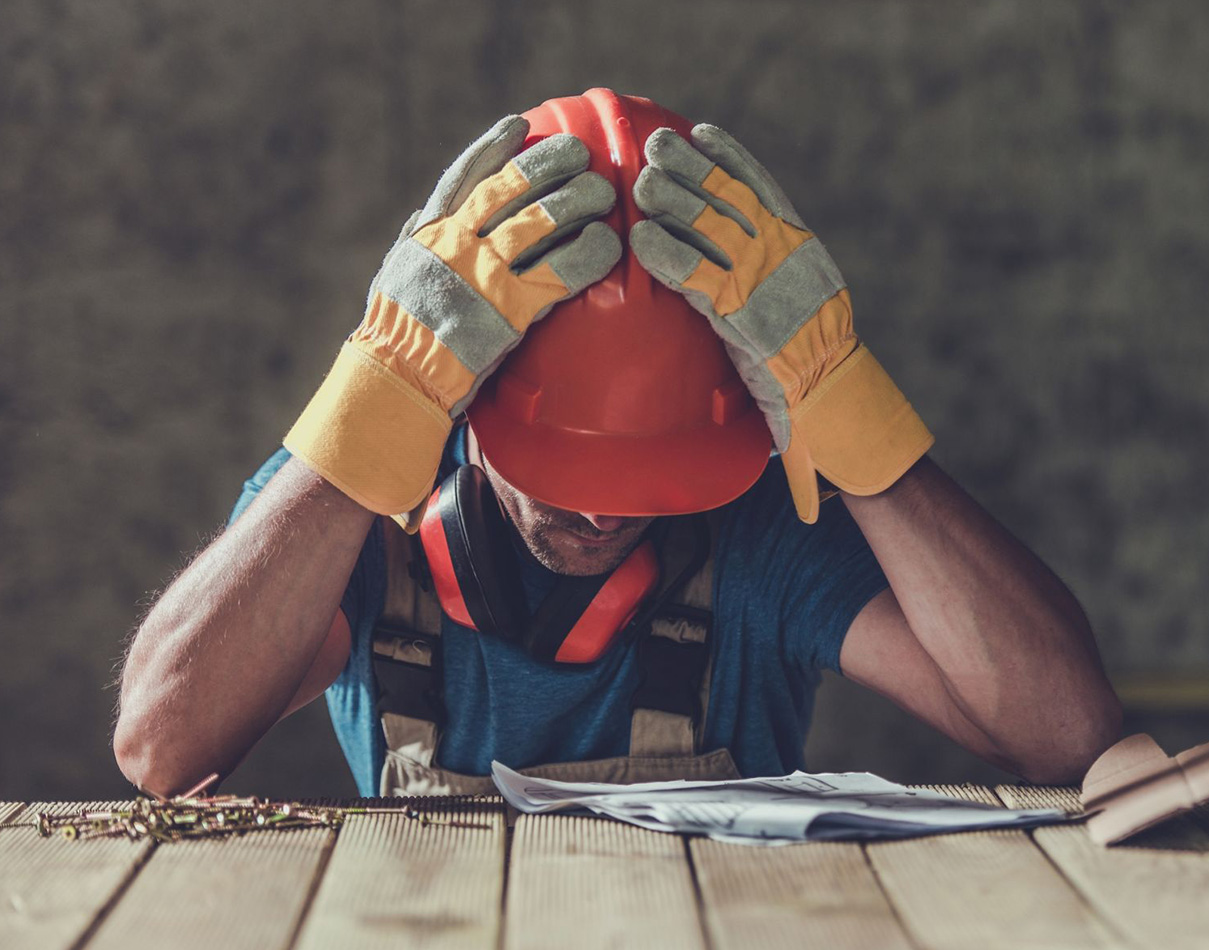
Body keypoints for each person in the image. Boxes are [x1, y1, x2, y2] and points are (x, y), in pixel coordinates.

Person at [113, 90, 1121, 798]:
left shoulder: (764, 539)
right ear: (463, 390)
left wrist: (840, 398)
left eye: (647, 474)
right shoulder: (349, 524)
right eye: (567, 466)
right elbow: (161, 744)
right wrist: (378, 386)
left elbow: (1065, 734)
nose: (601, 509)